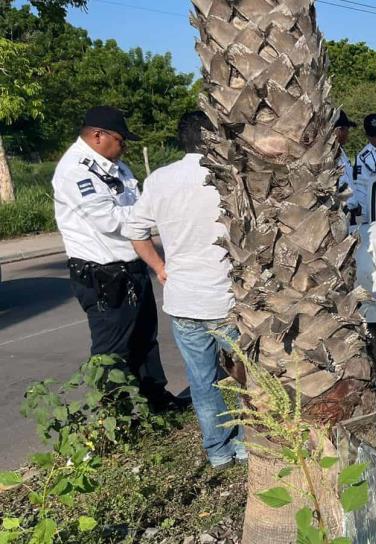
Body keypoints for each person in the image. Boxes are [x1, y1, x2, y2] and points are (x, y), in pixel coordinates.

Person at [121, 111, 247, 469]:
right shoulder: (228, 176)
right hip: (227, 301)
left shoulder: (159, 179)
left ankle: (218, 452)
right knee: (247, 379)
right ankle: (247, 444)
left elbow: (136, 232)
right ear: (213, 139)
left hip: (184, 301)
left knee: (203, 381)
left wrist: (160, 268)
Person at [52, 106, 176, 409]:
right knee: (113, 349)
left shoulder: (115, 166)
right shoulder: (75, 171)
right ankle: (117, 415)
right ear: (98, 135)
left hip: (132, 267)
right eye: (121, 140)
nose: (124, 146)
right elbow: (109, 220)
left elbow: (137, 202)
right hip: (103, 275)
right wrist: (156, 213)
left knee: (145, 338)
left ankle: (154, 401)